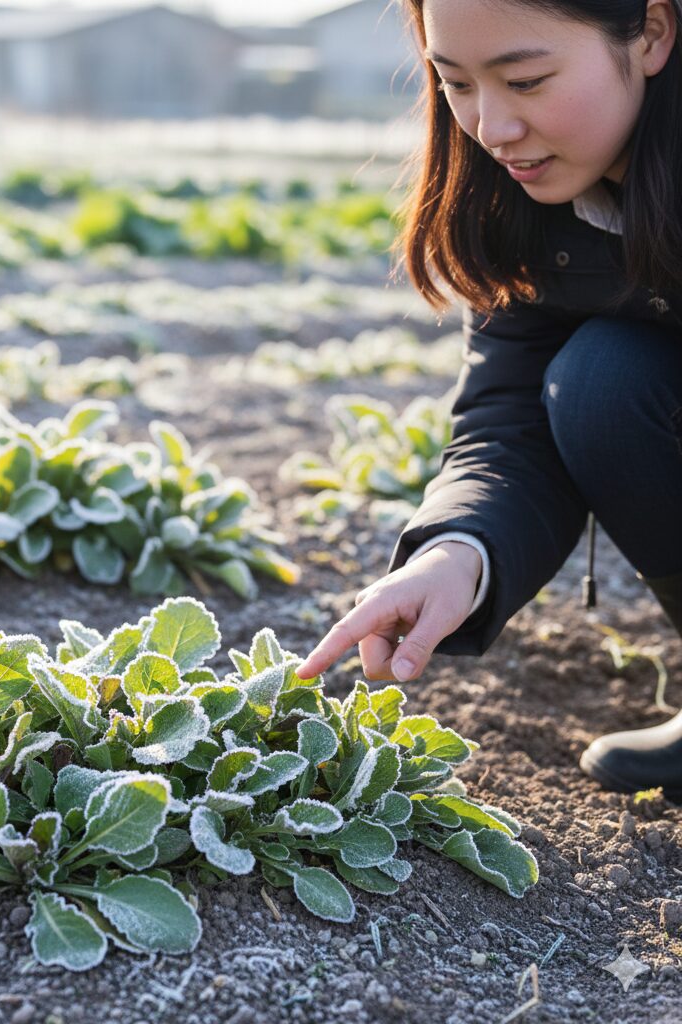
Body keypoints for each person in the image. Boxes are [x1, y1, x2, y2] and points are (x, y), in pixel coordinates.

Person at [295, 0, 682, 797]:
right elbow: (507, 419)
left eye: (527, 80)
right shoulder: (526, 205)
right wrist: (456, 552)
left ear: (651, 31)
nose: (492, 127)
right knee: (601, 384)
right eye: (456, 83)